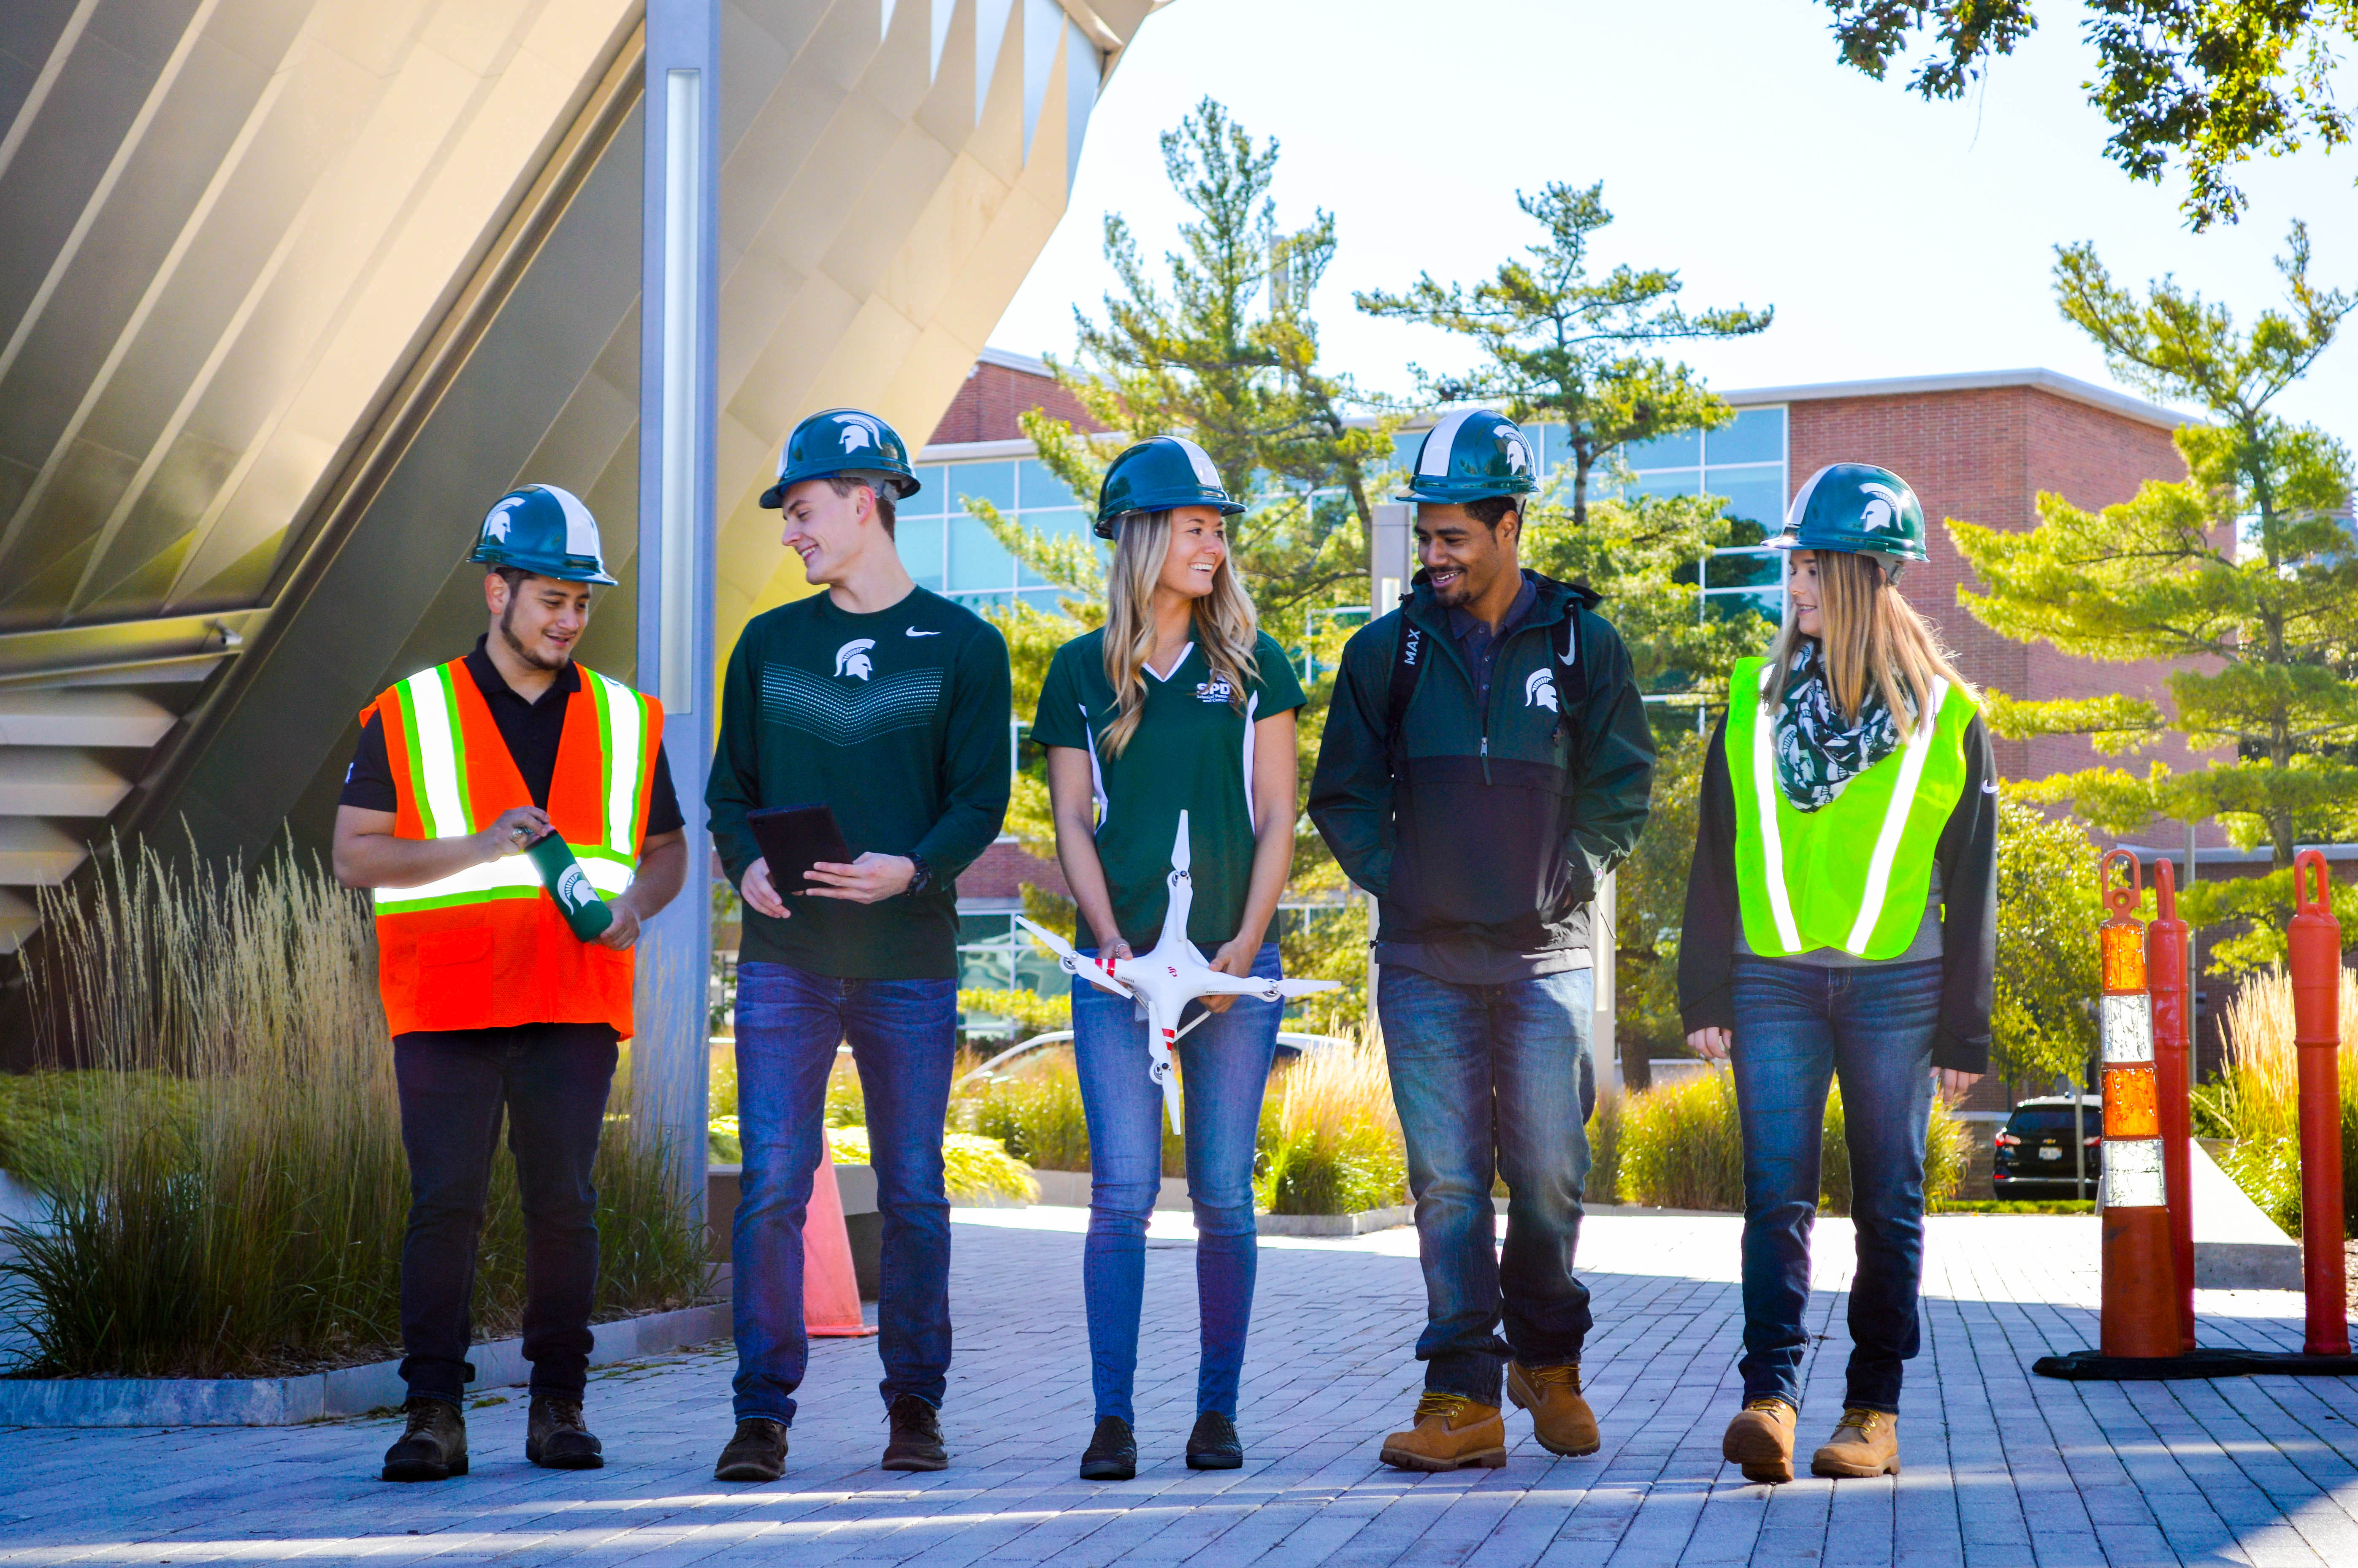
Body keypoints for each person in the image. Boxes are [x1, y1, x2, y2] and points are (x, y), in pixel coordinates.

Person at [1309, 409, 1655, 1471]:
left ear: (1509, 525)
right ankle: (1460, 1395)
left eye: (1453, 534)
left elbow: (1623, 784)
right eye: (1425, 535)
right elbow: (1344, 796)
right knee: (1448, 1185)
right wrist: (1404, 880)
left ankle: (1547, 1361)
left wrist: (1570, 871)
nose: (1434, 554)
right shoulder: (1384, 655)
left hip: (1546, 952)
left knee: (1550, 1170)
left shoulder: (1583, 643)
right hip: (1422, 962)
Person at [333, 484, 689, 1483]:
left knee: (564, 1206)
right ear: (497, 591)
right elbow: (355, 856)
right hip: (445, 1001)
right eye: (552, 600)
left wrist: (639, 907)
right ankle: (433, 1414)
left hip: (574, 998)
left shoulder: (626, 718)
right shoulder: (409, 712)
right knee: (445, 1206)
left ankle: (557, 1407)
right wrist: (475, 845)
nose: (570, 620)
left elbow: (667, 850)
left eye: (583, 603)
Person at [706, 408, 1012, 1483]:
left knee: (917, 1190)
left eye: (801, 510)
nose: (790, 532)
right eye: (788, 515)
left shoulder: (966, 647)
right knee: (772, 1189)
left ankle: (915, 1407)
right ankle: (760, 1415)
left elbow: (981, 801)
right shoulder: (769, 643)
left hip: (908, 966)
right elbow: (727, 794)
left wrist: (911, 868)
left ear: (864, 501)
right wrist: (742, 860)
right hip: (785, 961)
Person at [1677, 463, 1995, 1485]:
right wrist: (1701, 992)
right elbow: (1713, 849)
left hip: (1900, 988)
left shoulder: (1949, 716)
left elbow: (1972, 876)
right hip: (1768, 981)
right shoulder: (1750, 699)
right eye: (1793, 565)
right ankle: (1767, 1400)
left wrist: (1966, 1031)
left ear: (1863, 576)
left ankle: (1872, 1412)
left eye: (1810, 565)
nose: (1793, 583)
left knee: (1889, 1203)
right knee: (1775, 1195)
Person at [1031, 437, 1305, 1481]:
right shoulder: (1077, 672)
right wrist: (1106, 939)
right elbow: (1068, 820)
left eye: (1220, 529)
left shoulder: (1252, 665)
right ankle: (1111, 1421)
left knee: (1224, 1195)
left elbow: (1279, 816)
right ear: (1143, 538)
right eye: (1196, 526)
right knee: (1122, 1192)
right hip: (1117, 977)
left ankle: (1216, 1415)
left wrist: (1242, 944)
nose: (1215, 544)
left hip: (1232, 969)